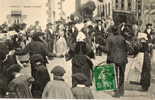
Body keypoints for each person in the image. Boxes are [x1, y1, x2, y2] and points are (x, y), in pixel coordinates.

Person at [100, 26, 128, 97]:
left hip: (113, 59)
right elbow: (126, 48)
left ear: (111, 31)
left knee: (114, 76)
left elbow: (106, 49)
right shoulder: (122, 38)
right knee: (122, 75)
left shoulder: (109, 38)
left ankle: (116, 93)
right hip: (122, 59)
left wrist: (99, 47)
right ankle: (121, 91)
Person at [140, 23, 154, 91]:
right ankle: (143, 84)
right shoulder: (143, 33)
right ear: (146, 27)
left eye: (150, 27)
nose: (149, 28)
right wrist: (144, 42)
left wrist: (152, 45)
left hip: (151, 52)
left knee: (148, 68)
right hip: (145, 51)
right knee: (145, 68)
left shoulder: (153, 33)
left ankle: (146, 84)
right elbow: (141, 42)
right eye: (148, 26)